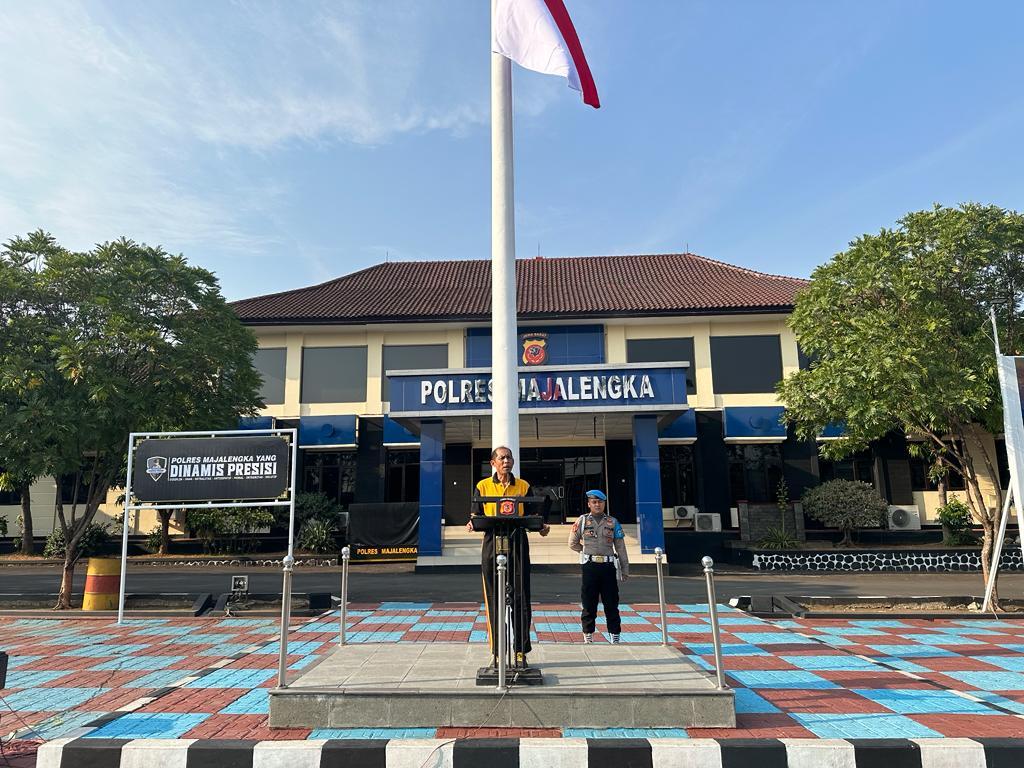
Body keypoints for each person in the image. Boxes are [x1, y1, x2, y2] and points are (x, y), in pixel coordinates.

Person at [468, 446, 549, 668]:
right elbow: (476, 515)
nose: (506, 461)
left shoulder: (523, 486)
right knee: (494, 600)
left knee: (520, 598)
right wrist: (472, 523)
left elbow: (533, 515)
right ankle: (497, 653)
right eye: (502, 458)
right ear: (493, 463)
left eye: (509, 458)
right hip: (492, 542)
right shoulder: (482, 486)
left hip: (517, 543)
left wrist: (541, 527)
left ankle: (520, 652)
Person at [568, 489, 629, 644]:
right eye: (594, 502)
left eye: (600, 502)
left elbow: (620, 548)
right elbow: (572, 543)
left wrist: (625, 569)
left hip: (608, 566)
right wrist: (586, 552)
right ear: (589, 504)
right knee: (589, 602)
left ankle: (614, 635)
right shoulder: (582, 521)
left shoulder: (613, 522)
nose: (597, 505)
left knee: (611, 603)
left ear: (604, 503)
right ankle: (588, 634)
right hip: (590, 566)